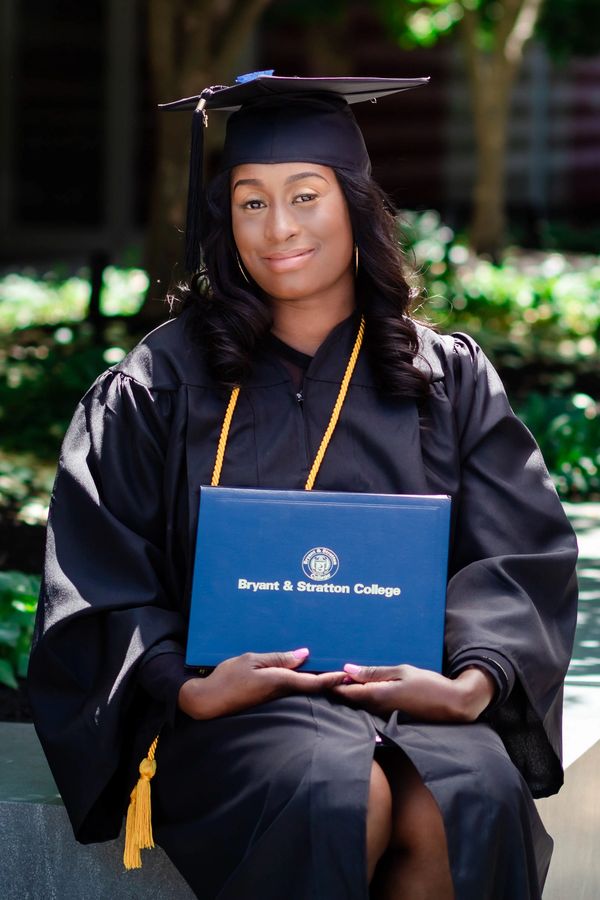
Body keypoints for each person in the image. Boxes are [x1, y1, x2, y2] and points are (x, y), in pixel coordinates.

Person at [28, 74, 578, 900]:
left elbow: (519, 552)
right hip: (235, 716)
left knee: (465, 797)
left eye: (305, 196)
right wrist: (190, 686)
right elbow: (99, 571)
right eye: (250, 201)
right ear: (226, 219)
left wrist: (470, 683)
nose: (278, 226)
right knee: (334, 792)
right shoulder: (159, 383)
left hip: (413, 699)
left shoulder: (445, 377)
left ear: (355, 206)